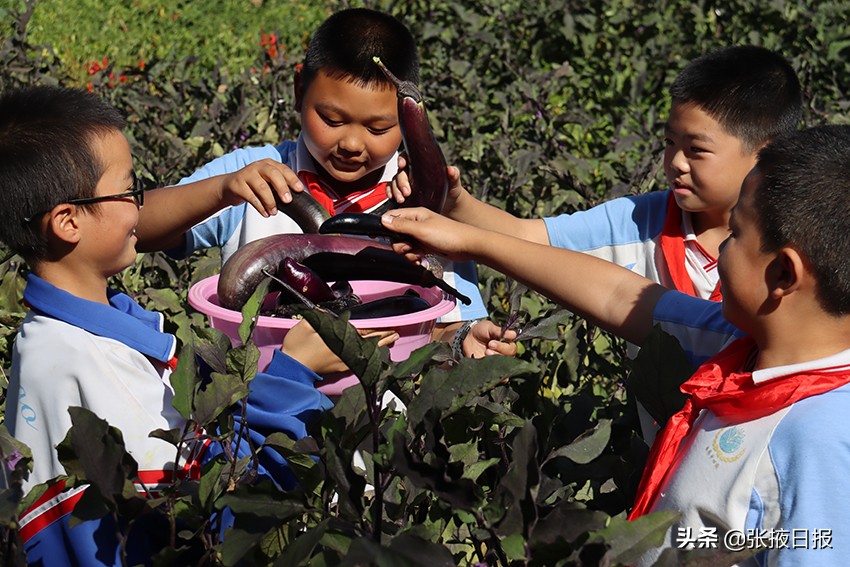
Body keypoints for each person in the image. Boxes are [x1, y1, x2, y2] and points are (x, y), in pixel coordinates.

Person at [380, 124, 850, 565]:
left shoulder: (817, 443)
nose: (721, 244)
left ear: (784, 274)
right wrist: (470, 241)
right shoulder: (745, 347)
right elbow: (620, 294)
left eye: (737, 233)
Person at [0, 85, 399, 565]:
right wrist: (293, 371)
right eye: (129, 190)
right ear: (68, 222)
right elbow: (212, 508)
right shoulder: (76, 360)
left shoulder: (79, 331)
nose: (139, 207)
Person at [392, 44, 801, 439]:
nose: (675, 161)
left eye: (697, 150)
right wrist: (454, 201)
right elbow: (526, 237)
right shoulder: (639, 219)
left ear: (765, 155)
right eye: (670, 143)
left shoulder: (797, 251)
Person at [132, 7, 515, 362]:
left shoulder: (426, 204)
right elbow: (135, 227)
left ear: (408, 117)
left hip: (388, 420)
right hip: (260, 411)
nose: (351, 143)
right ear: (300, 90)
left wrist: (464, 339)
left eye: (378, 128)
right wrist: (220, 190)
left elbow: (439, 327)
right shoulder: (249, 173)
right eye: (332, 120)